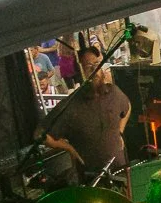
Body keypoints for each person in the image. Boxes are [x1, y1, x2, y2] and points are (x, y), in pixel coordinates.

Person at [45, 44, 132, 179]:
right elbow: (42, 135)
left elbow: (127, 106)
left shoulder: (113, 92)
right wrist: (69, 148)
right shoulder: (72, 104)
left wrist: (120, 131)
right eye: (88, 66)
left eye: (97, 63)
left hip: (120, 171)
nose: (94, 69)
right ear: (80, 71)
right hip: (92, 177)